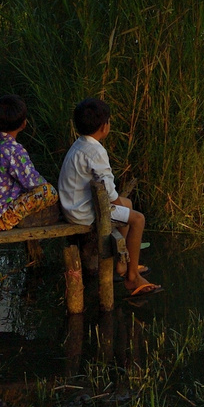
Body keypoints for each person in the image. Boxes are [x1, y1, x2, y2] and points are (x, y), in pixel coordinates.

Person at [58, 97, 158, 295]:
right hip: (83, 213)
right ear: (104, 126)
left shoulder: (79, 145)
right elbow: (109, 191)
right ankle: (132, 278)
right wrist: (119, 206)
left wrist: (122, 206)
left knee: (127, 205)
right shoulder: (96, 151)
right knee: (138, 219)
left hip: (72, 206)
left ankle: (123, 265)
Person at [0, 95, 59, 232]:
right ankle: (9, 219)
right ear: (23, 124)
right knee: (48, 191)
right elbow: (34, 182)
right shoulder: (14, 150)